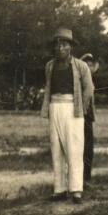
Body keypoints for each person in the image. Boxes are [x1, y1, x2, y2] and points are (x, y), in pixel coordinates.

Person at [41, 28, 94, 204]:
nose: (60, 48)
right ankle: (59, 189)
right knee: (56, 149)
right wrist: (49, 108)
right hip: (54, 107)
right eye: (57, 45)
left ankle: (76, 190)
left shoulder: (80, 66)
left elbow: (89, 89)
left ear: (70, 47)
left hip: (73, 109)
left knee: (74, 150)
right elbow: (49, 88)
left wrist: (81, 108)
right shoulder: (49, 66)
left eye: (64, 44)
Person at [80, 53, 99, 190]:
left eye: (91, 65)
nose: (89, 68)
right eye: (86, 65)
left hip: (88, 117)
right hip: (81, 116)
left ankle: (86, 177)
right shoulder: (80, 80)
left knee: (88, 149)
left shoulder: (90, 80)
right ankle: (82, 179)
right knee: (83, 148)